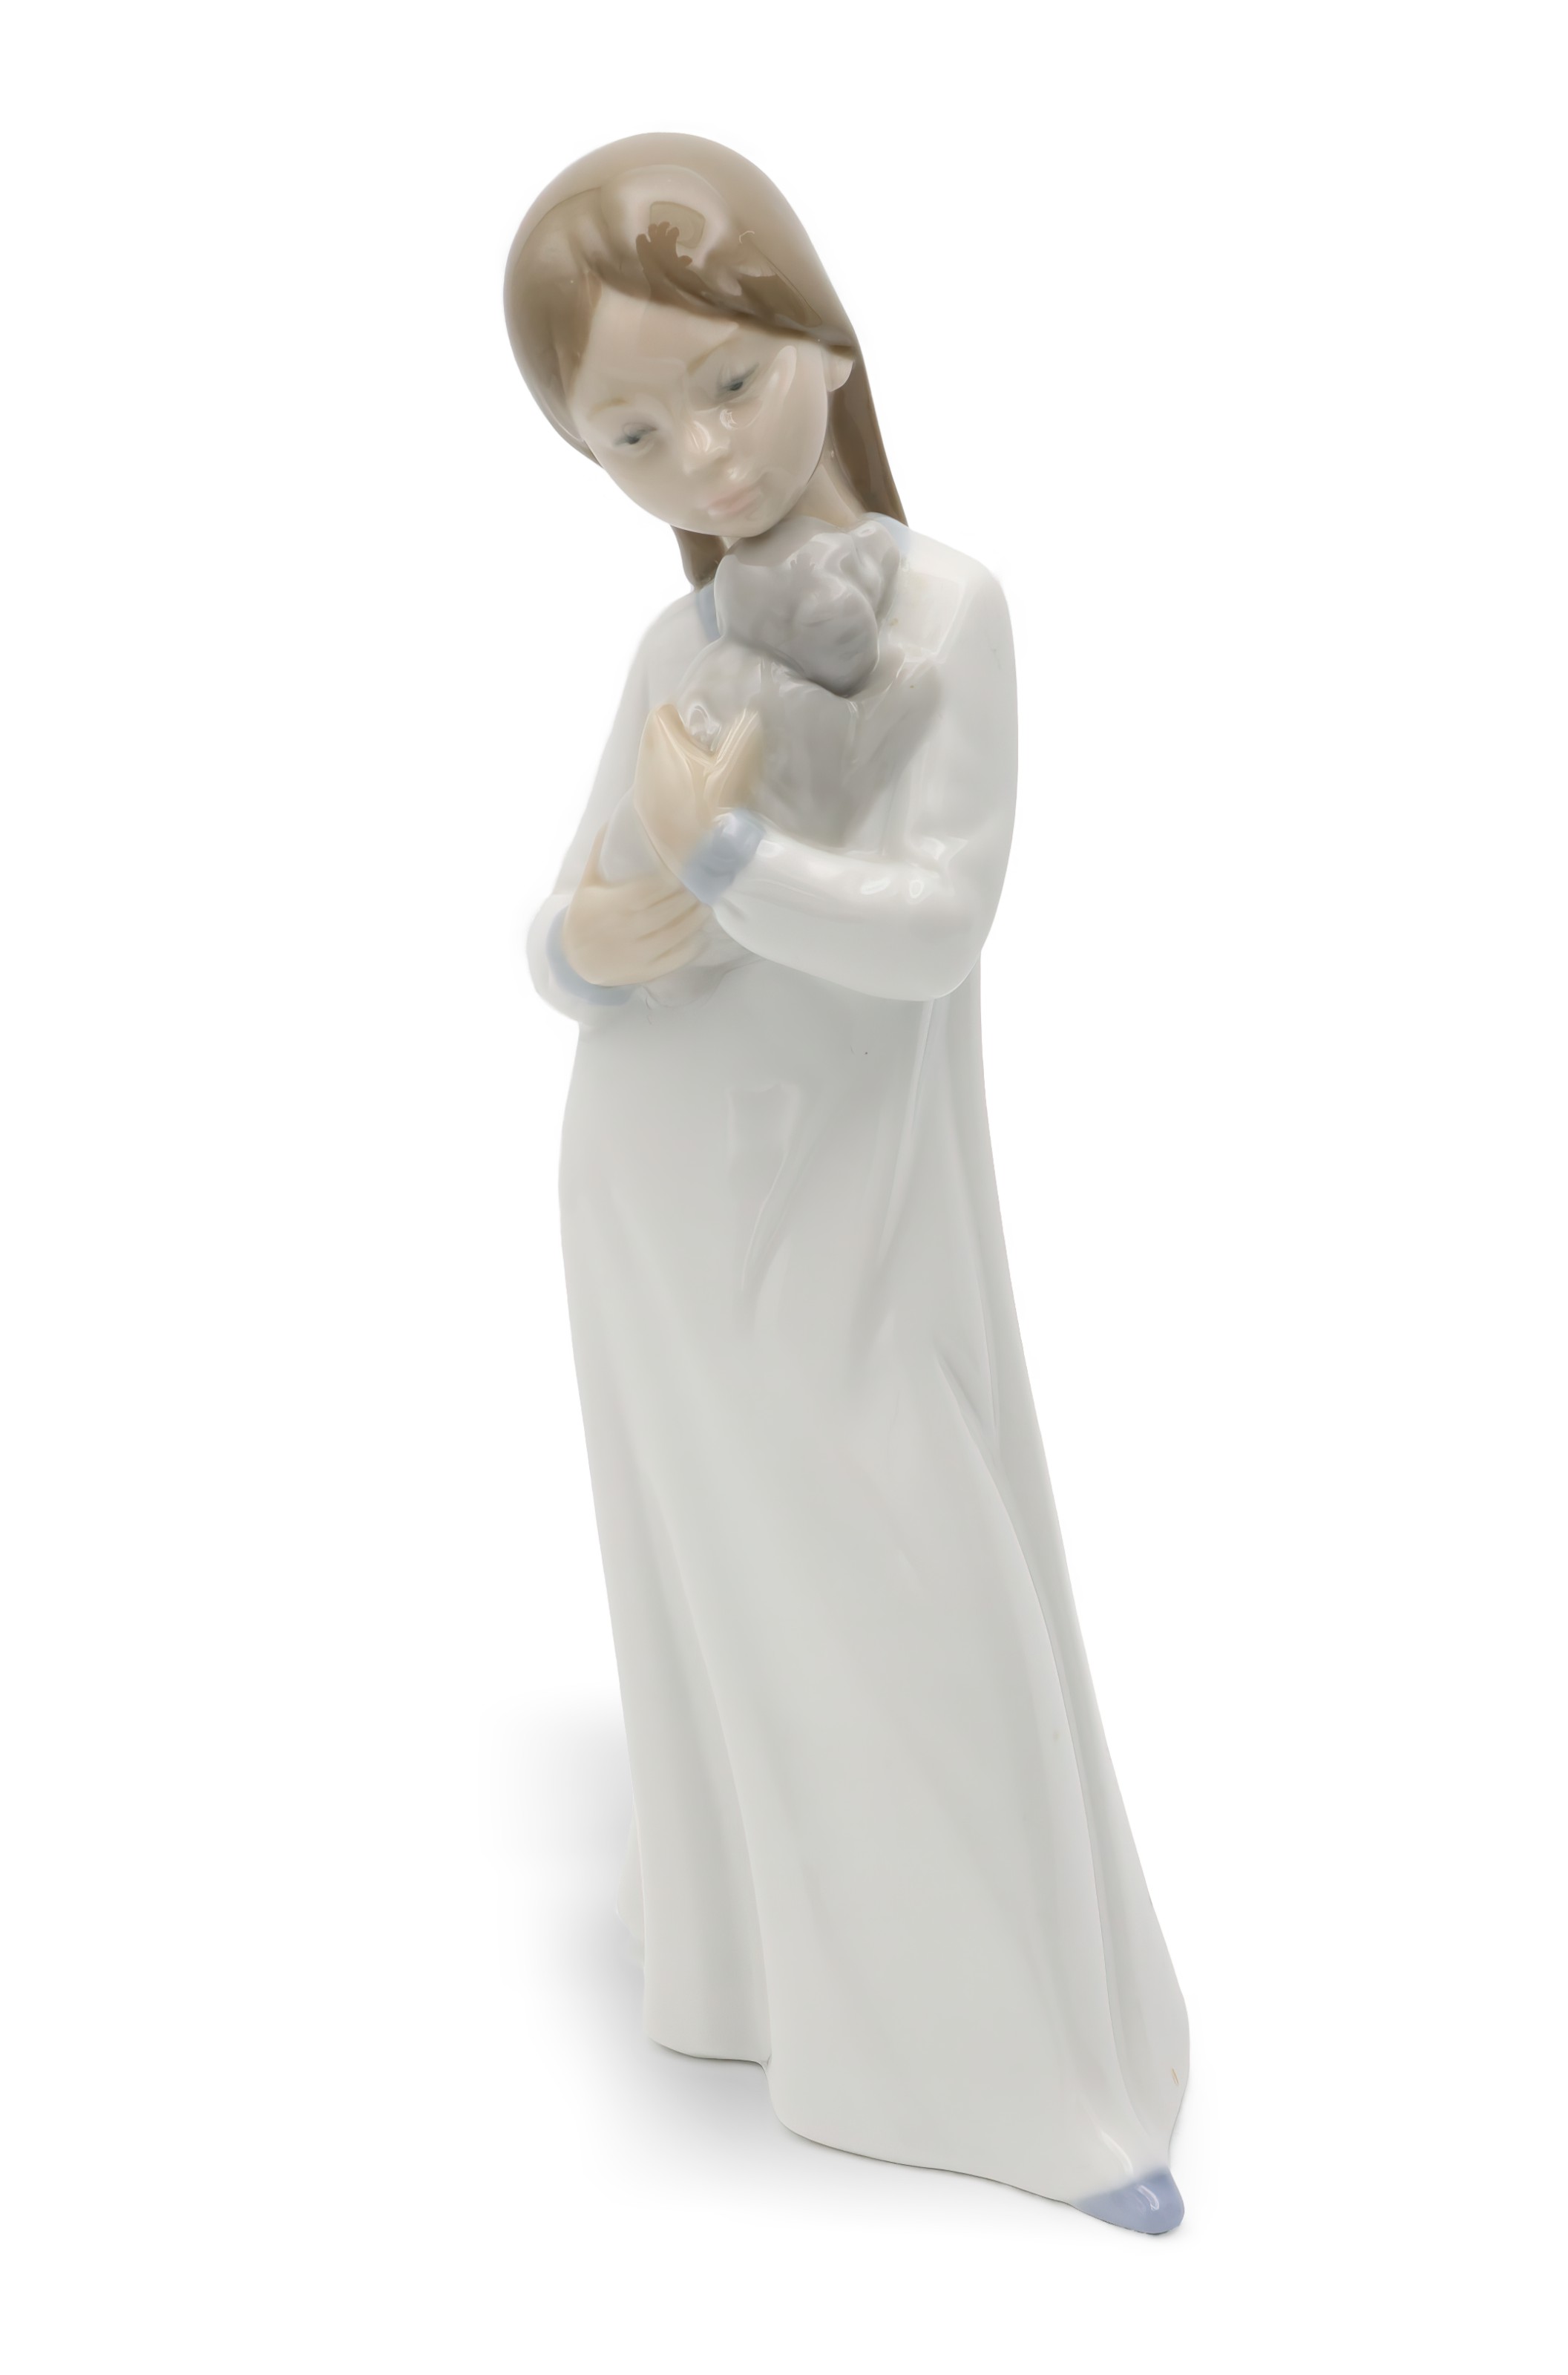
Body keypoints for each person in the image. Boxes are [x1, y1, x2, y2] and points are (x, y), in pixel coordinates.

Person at [506, 134, 1189, 2232]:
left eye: (725, 383)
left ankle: (1016, 2064)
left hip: (837, 1205)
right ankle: (755, 1969)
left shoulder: (948, 615)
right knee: (733, 1582)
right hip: (656, 1187)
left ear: (824, 344)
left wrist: (728, 858)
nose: (701, 456)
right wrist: (605, 933)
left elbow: (930, 929)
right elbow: (558, 931)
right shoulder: (674, 650)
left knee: (915, 1574)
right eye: (631, 435)